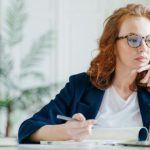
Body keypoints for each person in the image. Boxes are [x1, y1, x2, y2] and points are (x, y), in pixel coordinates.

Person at [18, 3, 150, 144]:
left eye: (148, 40)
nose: (143, 48)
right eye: (134, 40)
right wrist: (66, 131)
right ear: (113, 45)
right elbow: (27, 129)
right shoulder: (80, 86)